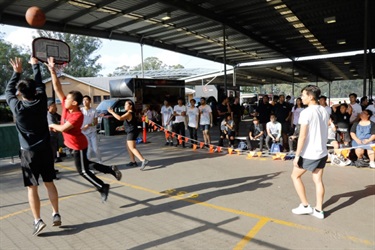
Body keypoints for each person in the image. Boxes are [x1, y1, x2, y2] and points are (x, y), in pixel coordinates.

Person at [46, 57, 122, 203]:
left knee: (82, 171)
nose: (64, 100)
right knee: (87, 164)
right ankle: (110, 169)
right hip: (75, 144)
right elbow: (57, 88)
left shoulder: (76, 115)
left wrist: (52, 125)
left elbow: (62, 128)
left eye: (67, 99)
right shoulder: (68, 107)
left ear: (74, 103)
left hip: (78, 146)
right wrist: (52, 72)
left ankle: (103, 186)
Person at [5, 57, 60, 235]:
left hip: (28, 153)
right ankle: (56, 214)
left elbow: (8, 91)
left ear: (20, 94)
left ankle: (37, 220)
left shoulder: (17, 107)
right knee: (49, 183)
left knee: (32, 187)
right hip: (45, 150)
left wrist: (17, 72)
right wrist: (35, 66)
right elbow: (39, 86)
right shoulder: (42, 101)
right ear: (35, 92)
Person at [291, 85, 329, 219]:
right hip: (322, 152)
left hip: (309, 153)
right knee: (318, 180)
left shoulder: (306, 112)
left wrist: (296, 155)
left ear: (311, 96)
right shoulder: (324, 110)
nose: (301, 98)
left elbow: (302, 136)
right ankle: (319, 210)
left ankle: (305, 206)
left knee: (295, 176)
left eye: (303, 95)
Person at [108, 100, 150, 170]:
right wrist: (121, 127)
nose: (124, 106)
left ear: (130, 106)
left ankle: (143, 160)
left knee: (132, 148)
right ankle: (133, 162)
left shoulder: (129, 113)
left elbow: (120, 118)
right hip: (131, 131)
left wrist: (112, 112)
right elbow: (130, 124)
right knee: (128, 147)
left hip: (132, 132)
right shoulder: (129, 113)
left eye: (126, 105)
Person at [81, 95, 102, 163]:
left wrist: (89, 125)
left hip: (93, 132)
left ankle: (100, 161)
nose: (84, 101)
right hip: (84, 133)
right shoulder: (81, 111)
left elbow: (95, 122)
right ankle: (88, 164)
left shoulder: (93, 110)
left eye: (86, 100)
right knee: (88, 149)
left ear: (90, 101)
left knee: (95, 148)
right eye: (83, 100)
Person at [47, 100, 63, 165]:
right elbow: (53, 127)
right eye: (53, 106)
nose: (56, 107)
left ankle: (51, 168)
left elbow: (62, 119)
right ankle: (50, 169)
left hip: (54, 137)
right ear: (49, 107)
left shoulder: (55, 114)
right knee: (50, 154)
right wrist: (62, 128)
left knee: (53, 153)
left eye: (55, 106)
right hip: (50, 137)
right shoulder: (49, 115)